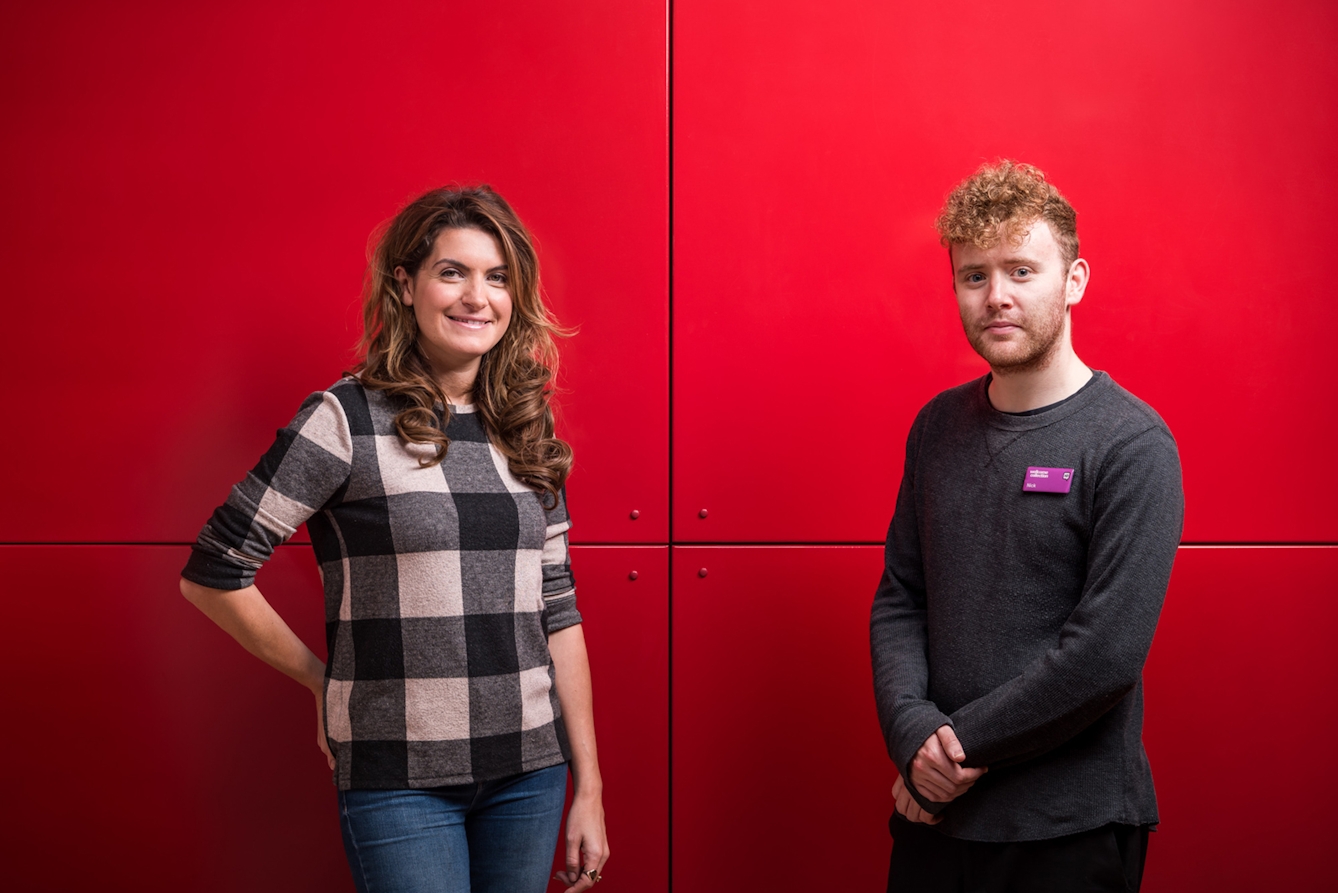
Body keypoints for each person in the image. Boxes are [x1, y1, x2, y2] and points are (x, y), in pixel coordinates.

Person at [180, 185, 609, 893]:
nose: (478, 296)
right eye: (453, 272)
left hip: (530, 775)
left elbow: (558, 612)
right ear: (405, 285)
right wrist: (324, 683)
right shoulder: (343, 419)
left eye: (497, 277)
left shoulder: (528, 428)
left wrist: (588, 786)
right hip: (399, 778)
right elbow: (213, 570)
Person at [869, 161, 1183, 892]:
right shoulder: (936, 428)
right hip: (933, 821)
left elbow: (1103, 655)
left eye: (1020, 269)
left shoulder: (1131, 444)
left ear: (1074, 280)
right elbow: (900, 599)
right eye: (973, 276)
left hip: (1068, 832)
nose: (997, 296)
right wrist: (912, 737)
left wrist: (952, 750)